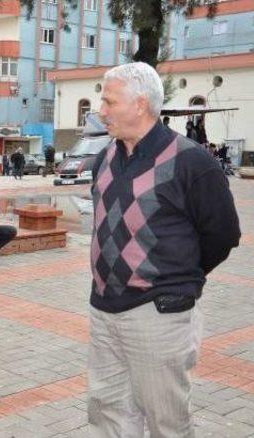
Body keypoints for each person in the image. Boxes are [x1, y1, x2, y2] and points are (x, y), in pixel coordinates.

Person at [89, 62, 240, 438]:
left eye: (109, 101)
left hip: (159, 314)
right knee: (108, 412)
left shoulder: (191, 161)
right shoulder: (104, 158)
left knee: (165, 421)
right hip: (104, 311)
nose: (100, 111)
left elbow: (222, 234)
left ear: (140, 105)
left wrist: (177, 278)